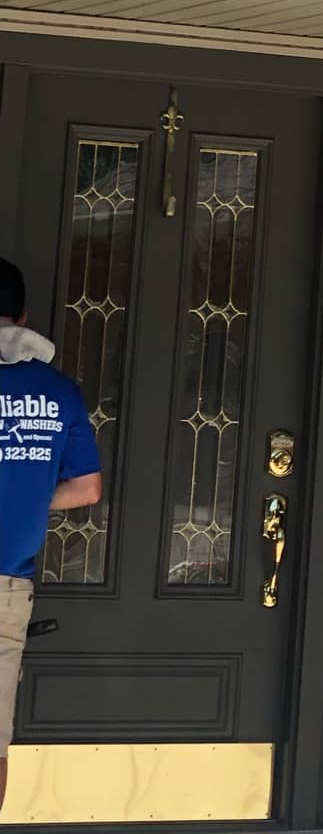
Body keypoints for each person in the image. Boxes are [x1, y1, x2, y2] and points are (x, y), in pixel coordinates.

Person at [0, 257, 101, 811]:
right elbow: (86, 488)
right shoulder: (58, 392)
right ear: (22, 315)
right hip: (5, 587)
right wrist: (30, 495)